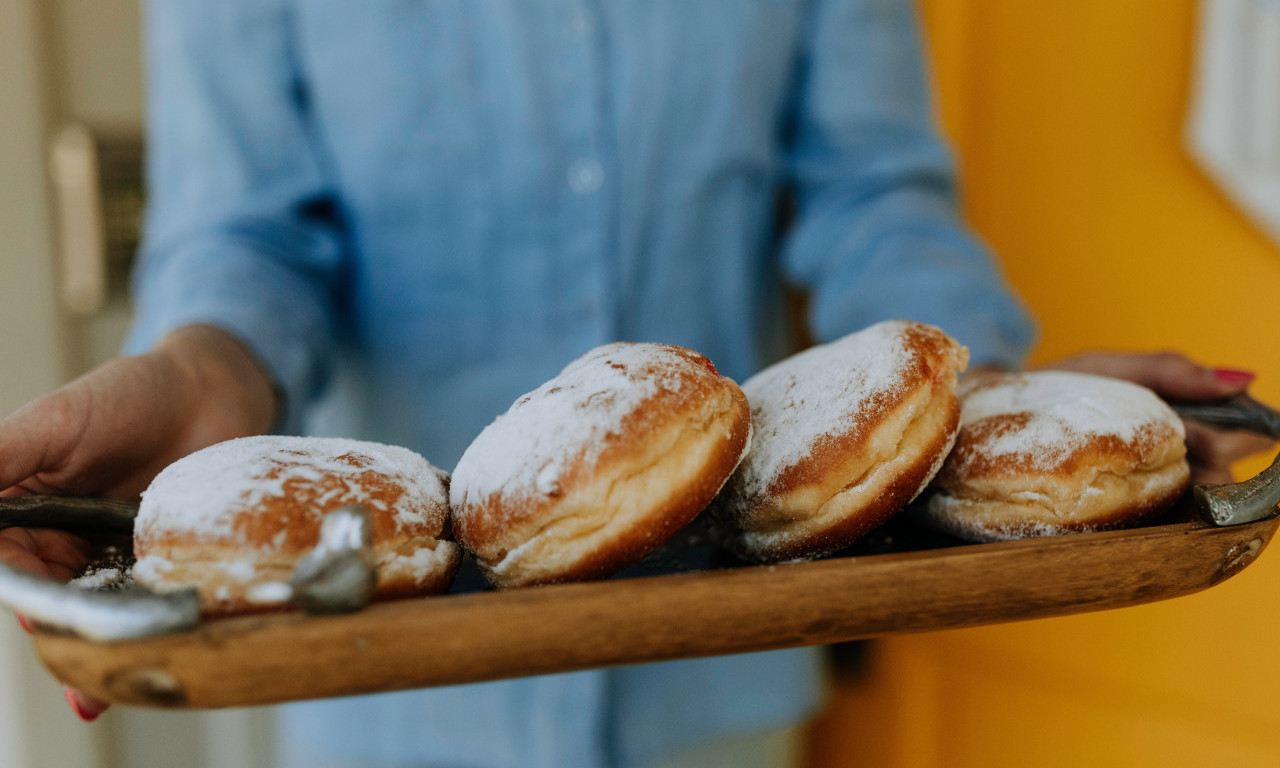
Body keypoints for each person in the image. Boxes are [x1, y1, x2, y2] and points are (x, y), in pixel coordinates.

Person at [0, 1, 1271, 767]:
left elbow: (867, 191)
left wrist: (983, 397)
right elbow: (252, 233)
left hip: (714, 663)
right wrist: (192, 373)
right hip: (384, 673)